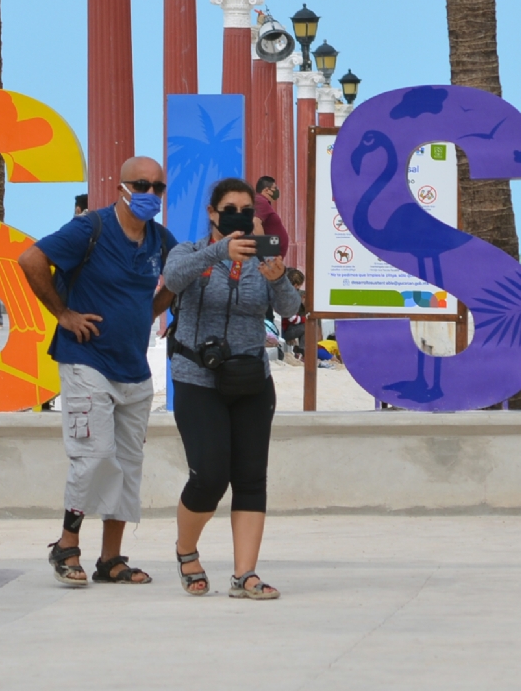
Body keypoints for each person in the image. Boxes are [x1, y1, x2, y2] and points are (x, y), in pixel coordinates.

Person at [17, 157, 177, 588]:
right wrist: (63, 314)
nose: (150, 194)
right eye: (142, 184)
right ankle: (67, 545)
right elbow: (30, 259)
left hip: (134, 368)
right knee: (94, 455)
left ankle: (112, 559)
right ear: (122, 186)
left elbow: (166, 290)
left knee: (127, 463)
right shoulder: (92, 228)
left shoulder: (160, 240)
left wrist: (158, 304)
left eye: (158, 188)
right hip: (86, 359)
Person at [164, 177, 299, 599]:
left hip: (251, 380)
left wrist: (276, 276)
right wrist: (221, 249)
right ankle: (186, 550)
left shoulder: (265, 256)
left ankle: (245, 574)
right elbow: (172, 278)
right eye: (231, 209)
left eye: (247, 210)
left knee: (250, 478)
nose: (239, 216)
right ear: (212, 213)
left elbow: (291, 309)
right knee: (209, 476)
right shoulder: (191, 252)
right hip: (198, 379)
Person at [252, 176, 289, 258]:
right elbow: (256, 224)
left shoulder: (262, 201)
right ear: (266, 190)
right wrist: (264, 252)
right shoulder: (261, 201)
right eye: (274, 188)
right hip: (267, 258)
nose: (277, 191)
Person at [282, 268, 307, 360]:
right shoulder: (289, 296)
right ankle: (302, 352)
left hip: (284, 328)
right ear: (296, 285)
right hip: (285, 331)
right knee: (307, 327)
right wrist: (305, 319)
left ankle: (300, 350)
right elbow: (292, 319)